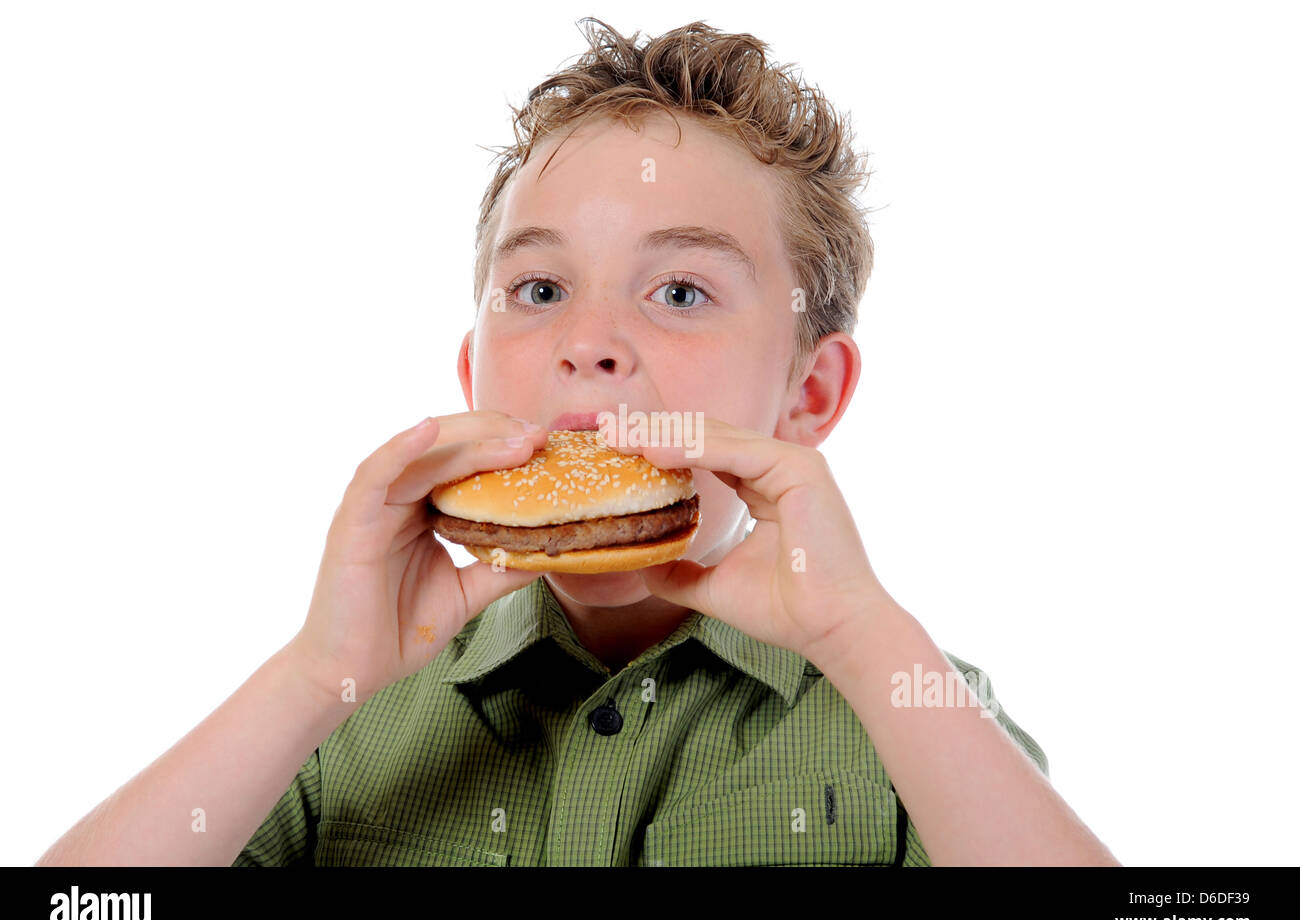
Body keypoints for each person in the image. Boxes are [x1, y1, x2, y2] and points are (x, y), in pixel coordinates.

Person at [35, 18, 1118, 867]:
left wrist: (865, 637)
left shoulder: (909, 707)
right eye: (539, 288)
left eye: (681, 289)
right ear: (473, 373)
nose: (588, 341)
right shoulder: (345, 710)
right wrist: (316, 674)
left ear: (809, 393)